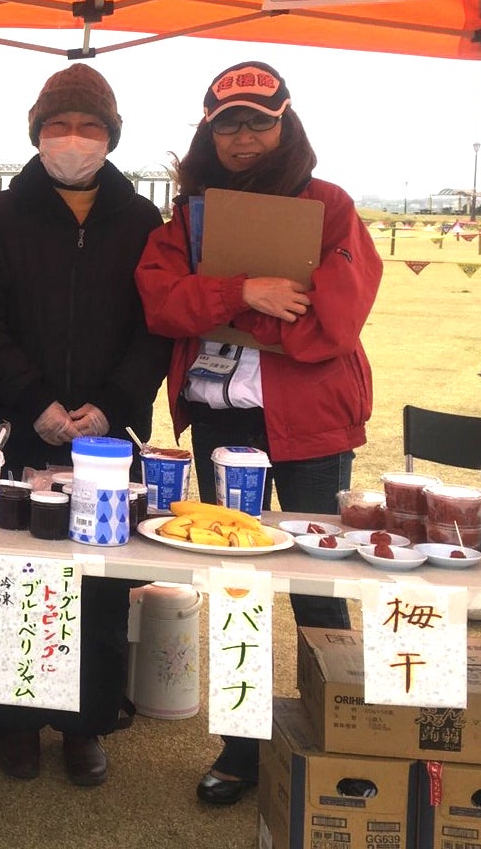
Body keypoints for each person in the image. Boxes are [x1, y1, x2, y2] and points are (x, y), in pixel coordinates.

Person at [135, 60, 381, 806]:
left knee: (319, 586)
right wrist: (247, 292)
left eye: (259, 121)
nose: (243, 137)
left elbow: (332, 321)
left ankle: (343, 740)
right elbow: (160, 302)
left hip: (311, 423)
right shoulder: (186, 217)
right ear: (208, 131)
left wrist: (223, 310)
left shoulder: (329, 206)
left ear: (284, 123)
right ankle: (240, 748)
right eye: (228, 124)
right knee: (235, 579)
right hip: (221, 418)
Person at [0, 63, 169, 787]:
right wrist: (35, 403)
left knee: (101, 579)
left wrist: (111, 404)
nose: (73, 139)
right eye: (58, 126)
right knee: (13, 570)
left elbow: (155, 328)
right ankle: (14, 720)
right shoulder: (1, 215)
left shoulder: (141, 222)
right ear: (36, 134)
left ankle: (87, 723)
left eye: (88, 127)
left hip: (108, 436)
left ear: (110, 137)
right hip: (17, 426)